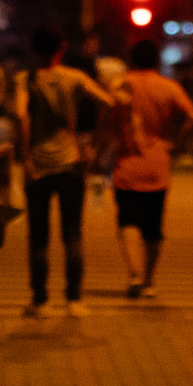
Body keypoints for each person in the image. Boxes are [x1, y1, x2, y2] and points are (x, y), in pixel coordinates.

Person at [14, 25, 113, 320]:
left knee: (39, 236)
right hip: (71, 162)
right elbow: (109, 103)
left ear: (33, 49)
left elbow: (21, 116)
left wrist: (26, 160)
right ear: (62, 48)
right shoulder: (76, 78)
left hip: (39, 166)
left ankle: (40, 301)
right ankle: (74, 299)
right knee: (72, 233)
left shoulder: (24, 79)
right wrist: (93, 144)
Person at [108, 39, 193, 300]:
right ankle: (148, 280)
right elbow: (192, 117)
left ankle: (134, 274)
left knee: (128, 221)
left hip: (127, 165)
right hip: (158, 165)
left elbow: (107, 120)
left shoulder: (121, 85)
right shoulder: (169, 87)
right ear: (157, 60)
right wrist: (176, 145)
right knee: (154, 227)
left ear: (132, 59)